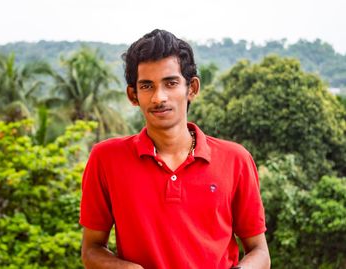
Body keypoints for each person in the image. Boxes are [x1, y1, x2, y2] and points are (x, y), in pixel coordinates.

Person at [80, 29, 270, 269]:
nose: (159, 97)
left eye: (170, 83)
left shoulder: (235, 159)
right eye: (147, 86)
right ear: (133, 95)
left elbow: (260, 252)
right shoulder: (106, 159)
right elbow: (91, 249)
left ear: (192, 88)